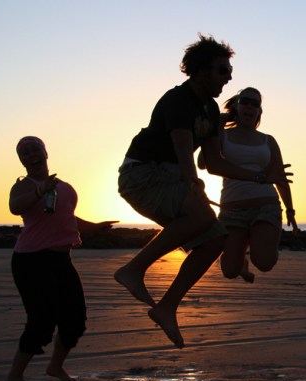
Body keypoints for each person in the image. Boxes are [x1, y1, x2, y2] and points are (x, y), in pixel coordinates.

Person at [114, 35, 291, 347]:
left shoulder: (209, 110)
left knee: (216, 240)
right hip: (143, 174)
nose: (229, 76)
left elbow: (215, 162)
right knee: (199, 217)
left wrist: (260, 177)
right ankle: (133, 269)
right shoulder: (178, 99)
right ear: (201, 71)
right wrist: (193, 183)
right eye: (223, 70)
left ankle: (167, 307)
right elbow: (183, 147)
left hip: (173, 178)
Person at [6, 136, 115, 381]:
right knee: (42, 320)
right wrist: (39, 191)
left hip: (61, 260)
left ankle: (55, 366)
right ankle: (14, 377)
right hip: (30, 261)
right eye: (24, 151)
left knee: (75, 318)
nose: (31, 153)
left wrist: (96, 228)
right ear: (21, 159)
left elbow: (68, 218)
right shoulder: (23, 187)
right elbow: (14, 207)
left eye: (35, 148)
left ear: (45, 152)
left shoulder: (65, 188)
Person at [201, 87, 298, 284]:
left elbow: (279, 177)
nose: (249, 106)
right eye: (245, 101)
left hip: (265, 205)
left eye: (255, 104)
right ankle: (242, 260)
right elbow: (203, 163)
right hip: (232, 209)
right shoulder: (223, 135)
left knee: (264, 262)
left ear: (259, 112)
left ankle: (259, 243)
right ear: (236, 107)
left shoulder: (267, 141)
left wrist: (290, 210)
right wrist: (216, 130)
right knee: (229, 270)